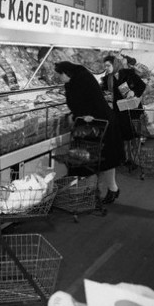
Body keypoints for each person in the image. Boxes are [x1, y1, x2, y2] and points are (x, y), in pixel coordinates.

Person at [54, 61, 125, 204]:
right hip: (98, 122)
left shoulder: (79, 81)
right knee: (103, 160)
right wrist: (78, 114)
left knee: (101, 159)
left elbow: (85, 103)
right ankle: (102, 189)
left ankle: (106, 189)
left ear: (66, 73)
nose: (59, 78)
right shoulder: (80, 77)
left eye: (59, 75)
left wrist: (79, 115)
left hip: (99, 124)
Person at [100, 55, 146, 164]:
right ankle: (126, 158)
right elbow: (102, 91)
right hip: (120, 111)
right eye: (105, 66)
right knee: (124, 135)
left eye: (108, 65)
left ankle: (135, 159)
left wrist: (134, 92)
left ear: (115, 64)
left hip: (133, 110)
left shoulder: (128, 73)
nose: (106, 68)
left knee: (135, 135)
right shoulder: (108, 79)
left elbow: (142, 85)